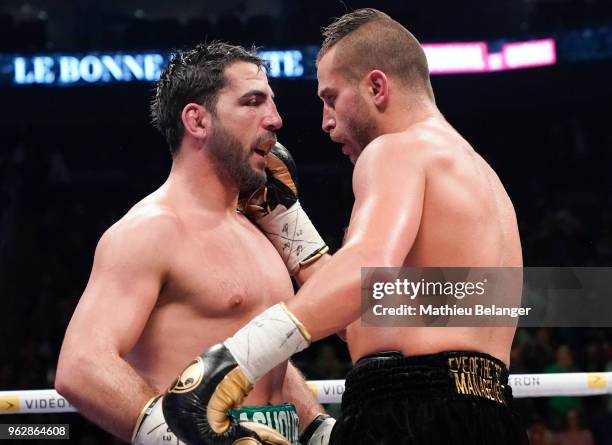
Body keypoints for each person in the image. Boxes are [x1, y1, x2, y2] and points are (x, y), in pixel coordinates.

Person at [147, 9, 529, 445]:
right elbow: (376, 309)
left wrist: (231, 363)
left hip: (412, 408)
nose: (326, 122)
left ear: (376, 86)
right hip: (491, 413)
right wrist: (283, 218)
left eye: (331, 98)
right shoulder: (481, 179)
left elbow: (368, 269)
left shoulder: (395, 151)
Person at [55, 42, 330, 445]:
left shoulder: (258, 228)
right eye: (253, 102)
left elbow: (265, 364)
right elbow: (81, 367)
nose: (275, 119)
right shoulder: (151, 230)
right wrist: (184, 438)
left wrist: (317, 428)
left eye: (271, 102)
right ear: (197, 121)